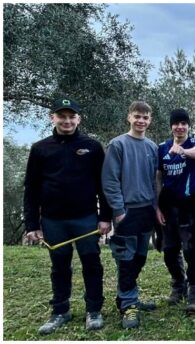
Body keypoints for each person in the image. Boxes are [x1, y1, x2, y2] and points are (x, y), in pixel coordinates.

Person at [23, 97, 112, 334]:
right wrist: (32, 224)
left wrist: (106, 217)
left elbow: (104, 185)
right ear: (52, 118)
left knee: (92, 264)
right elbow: (31, 188)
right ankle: (60, 311)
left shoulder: (92, 147)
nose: (67, 121)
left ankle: (94, 310)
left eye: (71, 116)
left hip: (85, 218)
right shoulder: (40, 148)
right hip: (53, 220)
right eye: (61, 116)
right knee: (59, 266)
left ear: (78, 119)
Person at [102, 100, 159, 329]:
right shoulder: (117, 145)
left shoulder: (152, 147)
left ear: (150, 120)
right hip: (127, 211)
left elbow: (156, 181)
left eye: (145, 117)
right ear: (129, 117)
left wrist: (156, 207)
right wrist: (118, 211)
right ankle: (128, 305)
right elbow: (109, 180)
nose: (141, 121)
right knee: (126, 260)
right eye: (137, 116)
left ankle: (128, 296)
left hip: (147, 210)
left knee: (140, 258)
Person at [155, 109, 195, 313]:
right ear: (171, 126)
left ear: (188, 126)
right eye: (176, 123)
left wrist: (183, 151)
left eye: (183, 123)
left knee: (191, 250)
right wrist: (157, 206)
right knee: (169, 250)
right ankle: (179, 285)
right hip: (168, 206)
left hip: (189, 205)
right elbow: (158, 177)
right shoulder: (162, 148)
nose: (180, 127)